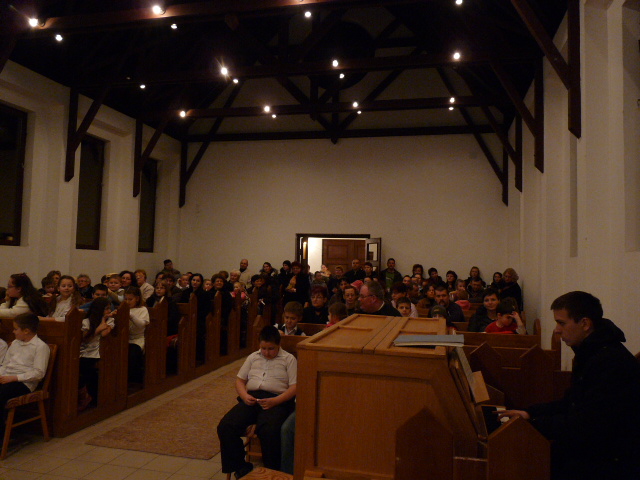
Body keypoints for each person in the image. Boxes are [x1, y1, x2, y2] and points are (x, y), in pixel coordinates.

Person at [499, 291, 640, 480]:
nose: (557, 330)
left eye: (562, 323)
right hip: (591, 448)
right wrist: (529, 413)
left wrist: (532, 425)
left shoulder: (610, 362)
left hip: (609, 461)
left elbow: (587, 425)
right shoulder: (592, 351)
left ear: (585, 324)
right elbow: (571, 402)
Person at [217, 325, 297, 477]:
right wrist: (244, 395)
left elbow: (295, 387)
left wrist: (275, 401)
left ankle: (271, 472)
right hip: (252, 399)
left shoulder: (288, 359)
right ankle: (241, 467)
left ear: (278, 345)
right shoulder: (253, 357)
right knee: (226, 426)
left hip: (276, 400)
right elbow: (240, 381)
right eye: (263, 348)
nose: (266, 352)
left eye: (271, 349)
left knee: (269, 431)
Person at [0, 313, 50, 429]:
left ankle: (2, 434)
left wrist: (14, 378)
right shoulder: (15, 343)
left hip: (24, 383)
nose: (13, 332)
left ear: (26, 331)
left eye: (16, 329)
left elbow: (38, 373)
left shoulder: (40, 347)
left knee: (1, 394)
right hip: (7, 377)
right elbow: (5, 365)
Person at [78, 297, 114, 410]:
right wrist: (97, 329)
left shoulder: (110, 321)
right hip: (82, 350)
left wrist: (103, 320)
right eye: (106, 309)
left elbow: (104, 334)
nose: (109, 311)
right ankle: (84, 396)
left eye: (109, 308)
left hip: (96, 352)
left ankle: (86, 397)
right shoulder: (86, 321)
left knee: (84, 368)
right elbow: (84, 339)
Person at [123, 286, 150, 383]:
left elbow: (141, 325)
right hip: (124, 339)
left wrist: (131, 316)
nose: (127, 302)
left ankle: (132, 379)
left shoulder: (142, 309)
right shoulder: (123, 308)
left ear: (137, 299)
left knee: (132, 354)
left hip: (137, 339)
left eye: (130, 299)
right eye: (125, 299)